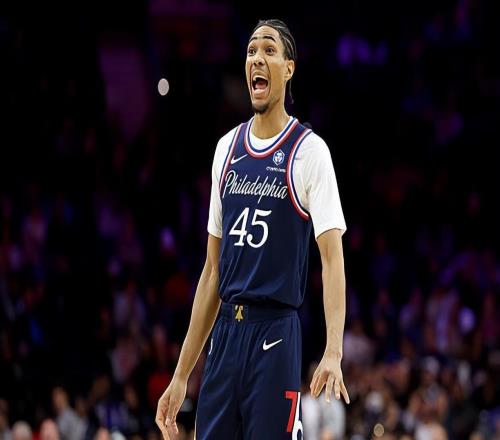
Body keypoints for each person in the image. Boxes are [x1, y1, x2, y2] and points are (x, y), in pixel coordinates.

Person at [156, 18, 350, 439]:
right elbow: (212, 272)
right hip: (225, 334)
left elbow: (332, 258)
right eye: (251, 50)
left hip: (275, 333)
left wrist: (333, 350)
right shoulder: (226, 149)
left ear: (289, 68)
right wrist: (181, 375)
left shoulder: (310, 152)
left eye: (269, 50)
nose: (257, 58)